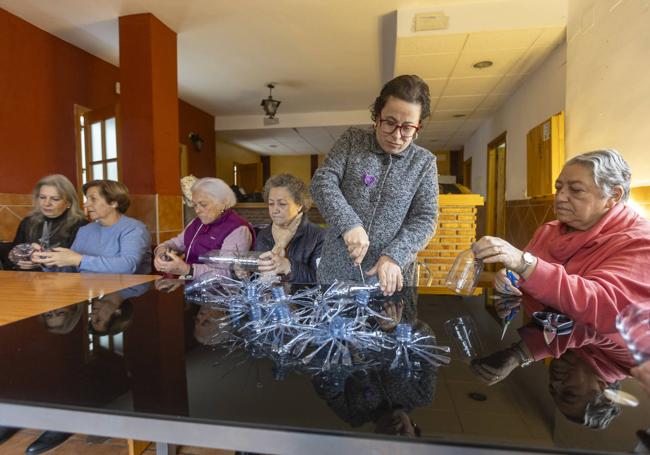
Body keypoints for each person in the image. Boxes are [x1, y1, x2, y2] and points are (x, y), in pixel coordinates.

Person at [473, 149, 650, 333]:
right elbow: (529, 275)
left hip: (603, 357)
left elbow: (603, 308)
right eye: (559, 188)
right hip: (547, 344)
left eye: (576, 190)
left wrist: (523, 263)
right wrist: (510, 277)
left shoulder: (640, 241)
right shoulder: (549, 231)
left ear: (613, 196)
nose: (560, 197)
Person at [311, 74, 438, 296]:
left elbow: (425, 218)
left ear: (418, 126)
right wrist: (349, 224)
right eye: (389, 122)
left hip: (391, 279)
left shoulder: (424, 163)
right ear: (377, 115)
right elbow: (322, 182)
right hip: (336, 274)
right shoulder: (352, 141)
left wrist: (395, 255)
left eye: (407, 128)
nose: (397, 136)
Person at [32, 179, 151, 273]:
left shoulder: (134, 229)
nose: (86, 204)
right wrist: (49, 261)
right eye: (86, 199)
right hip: (89, 293)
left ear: (114, 202)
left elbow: (128, 266)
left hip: (131, 296)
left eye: (93, 199)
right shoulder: (85, 230)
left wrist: (79, 259)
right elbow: (72, 268)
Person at [153, 177, 254, 280]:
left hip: (219, 293)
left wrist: (187, 270)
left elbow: (227, 274)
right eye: (195, 205)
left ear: (224, 202)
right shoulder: (196, 223)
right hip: (190, 287)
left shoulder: (238, 229)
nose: (197, 210)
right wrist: (161, 251)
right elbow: (176, 243)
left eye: (203, 205)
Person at [0, 174, 87, 270]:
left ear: (68, 203)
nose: (47, 203)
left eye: (55, 199)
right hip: (30, 279)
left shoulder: (81, 225)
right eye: (42, 197)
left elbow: (82, 262)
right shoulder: (28, 222)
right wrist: (21, 261)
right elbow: (15, 252)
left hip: (64, 280)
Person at [254, 173, 325, 283]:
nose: (275, 210)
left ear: (299, 205)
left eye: (282, 204)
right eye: (271, 204)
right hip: (268, 298)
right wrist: (242, 272)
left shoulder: (319, 236)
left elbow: (322, 279)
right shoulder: (264, 234)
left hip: (302, 299)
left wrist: (288, 266)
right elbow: (257, 276)